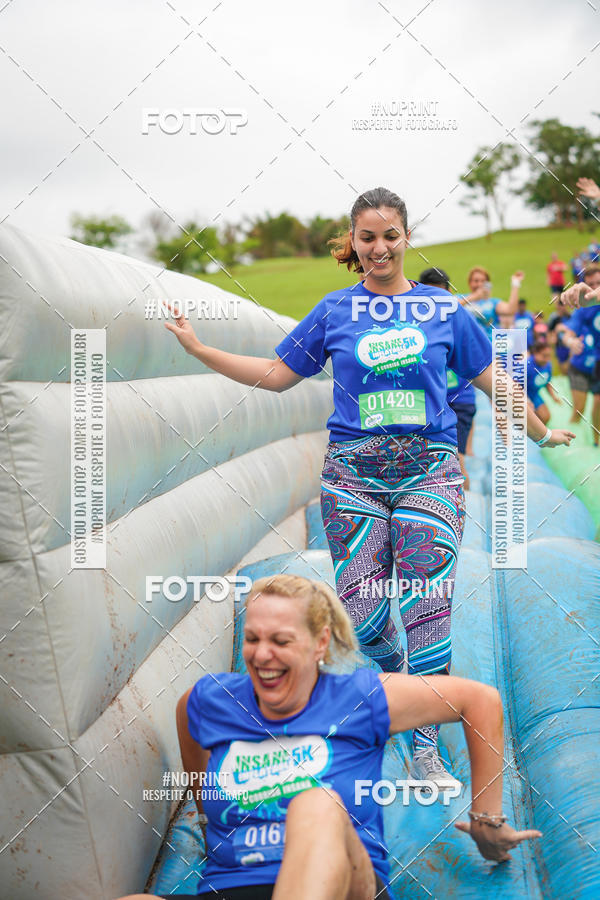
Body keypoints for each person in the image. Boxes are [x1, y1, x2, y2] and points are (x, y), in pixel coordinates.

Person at [164, 186, 575, 791]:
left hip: (429, 472)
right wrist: (201, 349)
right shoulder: (335, 311)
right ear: (353, 244)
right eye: (367, 237)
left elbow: (495, 381)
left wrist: (541, 435)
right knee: (366, 613)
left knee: (427, 608)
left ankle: (426, 740)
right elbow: (278, 376)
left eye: (389, 235)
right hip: (352, 477)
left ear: (406, 237)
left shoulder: (443, 310)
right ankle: (396, 685)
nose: (379, 247)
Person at [118, 574, 543, 900]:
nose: (262, 654)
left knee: (316, 803)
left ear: (320, 642)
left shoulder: (361, 697)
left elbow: (480, 700)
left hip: (344, 882)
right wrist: (210, 813)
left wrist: (488, 821)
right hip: (232, 887)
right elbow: (193, 736)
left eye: (281, 641)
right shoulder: (210, 701)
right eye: (252, 639)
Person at [419, 267, 476, 490]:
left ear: (450, 293)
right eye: (430, 296)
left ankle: (469, 514)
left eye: (440, 295)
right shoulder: (415, 324)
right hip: (432, 403)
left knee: (457, 461)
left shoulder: (458, 320)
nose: (435, 302)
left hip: (460, 402)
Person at [560, 264, 600, 444]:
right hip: (581, 367)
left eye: (598, 283)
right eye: (590, 284)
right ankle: (569, 440)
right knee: (579, 410)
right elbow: (566, 333)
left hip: (597, 365)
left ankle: (596, 441)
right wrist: (571, 342)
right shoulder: (583, 308)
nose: (594, 288)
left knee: (598, 401)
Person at [457, 266, 524, 335]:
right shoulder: (460, 297)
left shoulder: (493, 302)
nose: (479, 284)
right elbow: (453, 307)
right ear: (470, 283)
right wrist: (473, 297)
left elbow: (511, 310)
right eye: (476, 281)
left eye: (483, 281)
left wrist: (515, 283)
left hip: (488, 342)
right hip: (467, 342)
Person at [526, 342, 561, 425]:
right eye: (544, 356)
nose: (547, 359)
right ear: (535, 353)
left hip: (533, 394)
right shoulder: (526, 367)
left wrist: (554, 397)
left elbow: (547, 382)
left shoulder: (547, 365)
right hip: (520, 395)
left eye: (549, 356)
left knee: (545, 417)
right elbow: (516, 387)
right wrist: (526, 401)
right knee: (530, 418)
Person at [547, 298, 572, 374]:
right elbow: (549, 331)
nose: (562, 308)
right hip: (559, 346)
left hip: (570, 345)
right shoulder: (554, 318)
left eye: (564, 306)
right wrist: (551, 341)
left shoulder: (570, 317)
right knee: (563, 368)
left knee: (570, 367)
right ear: (558, 307)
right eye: (560, 306)